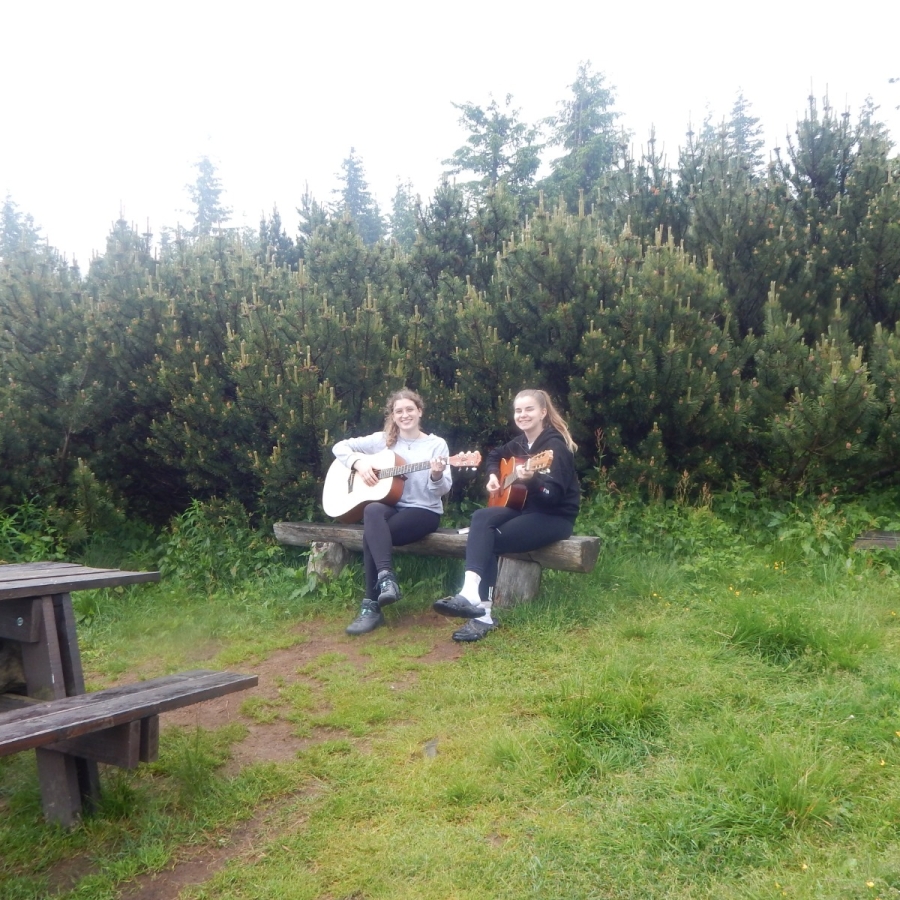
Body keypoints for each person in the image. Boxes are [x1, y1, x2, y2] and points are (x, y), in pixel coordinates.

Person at [433, 388, 580, 642]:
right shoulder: (521, 443)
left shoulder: (555, 448)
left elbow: (552, 497)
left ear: (543, 412)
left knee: (489, 539)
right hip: (523, 509)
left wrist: (532, 480)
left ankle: (483, 615)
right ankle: (470, 591)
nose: (522, 415)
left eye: (529, 409)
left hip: (554, 517)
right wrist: (493, 475)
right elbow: (495, 455)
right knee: (481, 517)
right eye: (518, 410)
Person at [332, 389, 452, 635]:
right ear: (393, 415)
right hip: (393, 507)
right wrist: (359, 464)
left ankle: (371, 607)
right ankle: (386, 579)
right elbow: (339, 447)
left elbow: (441, 490)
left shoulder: (436, 444)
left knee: (371, 536)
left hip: (423, 511)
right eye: (399, 411)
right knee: (373, 509)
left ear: (419, 412)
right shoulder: (383, 440)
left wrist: (436, 474)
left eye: (410, 409)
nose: (405, 415)